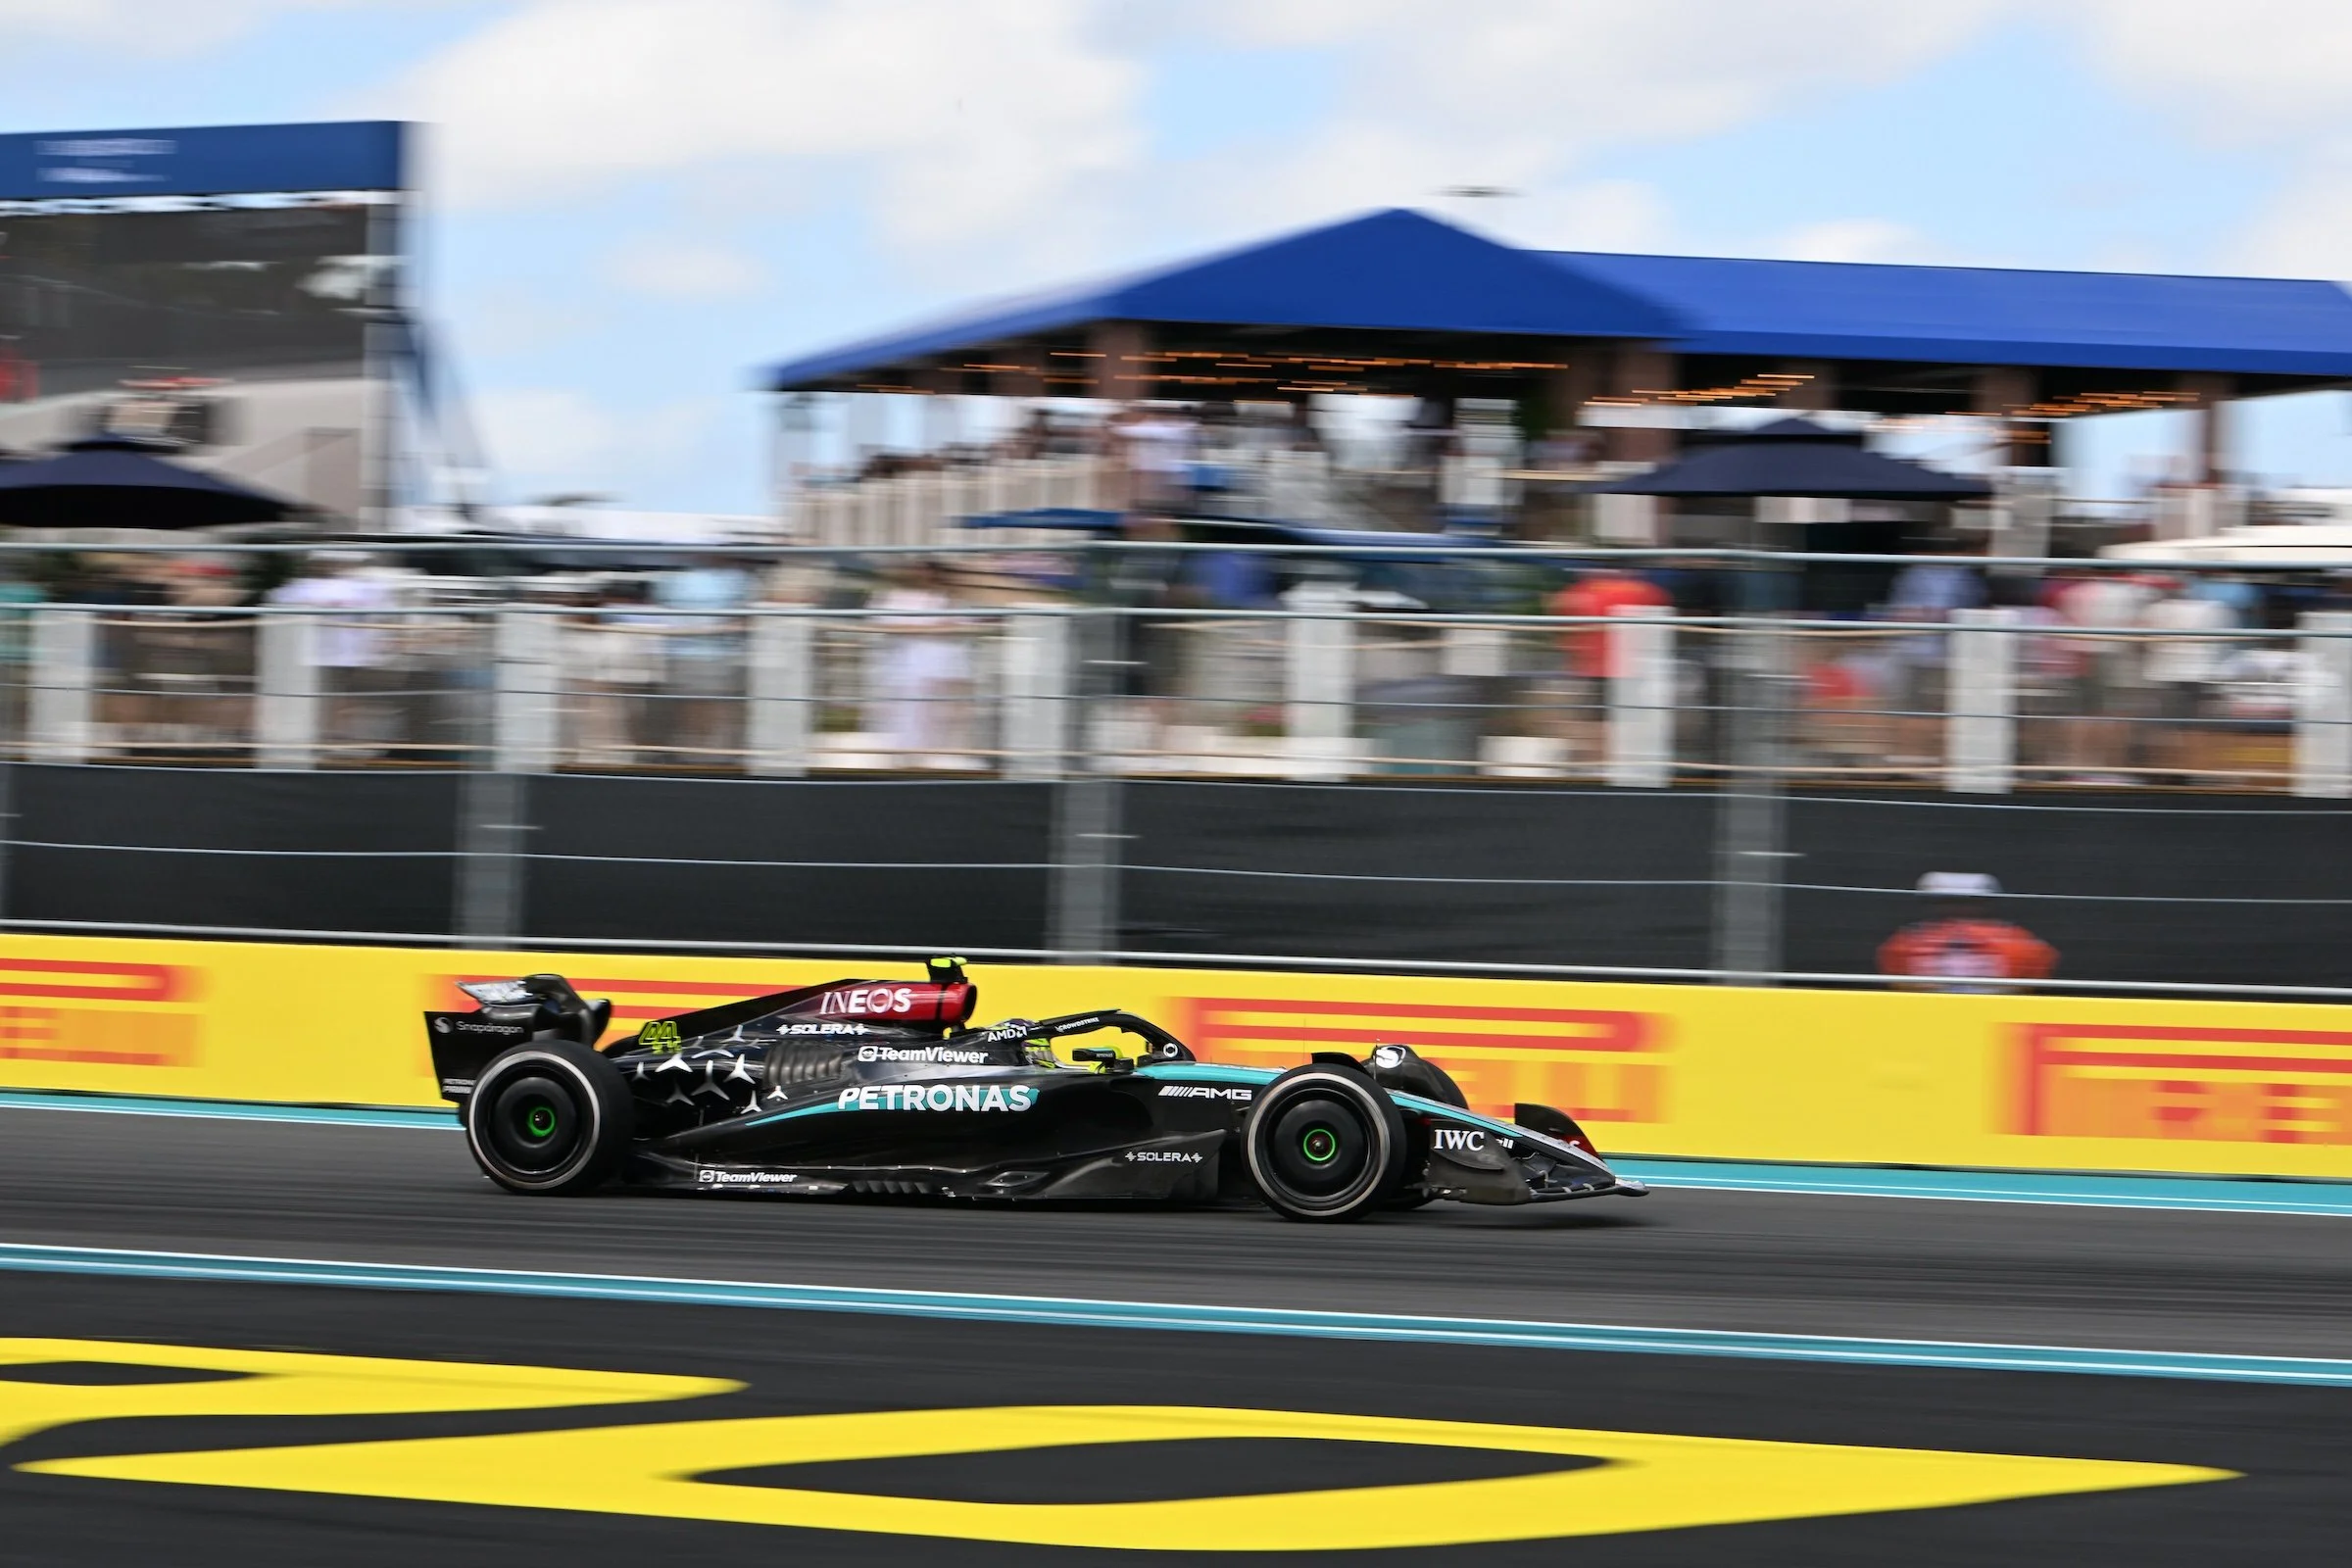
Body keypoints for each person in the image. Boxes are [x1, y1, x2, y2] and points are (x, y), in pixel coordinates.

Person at [1878, 872, 2056, 993]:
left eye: (1967, 902)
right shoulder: (1907, 942)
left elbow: (2033, 976)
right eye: (1947, 903)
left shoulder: (2015, 941)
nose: (1957, 909)